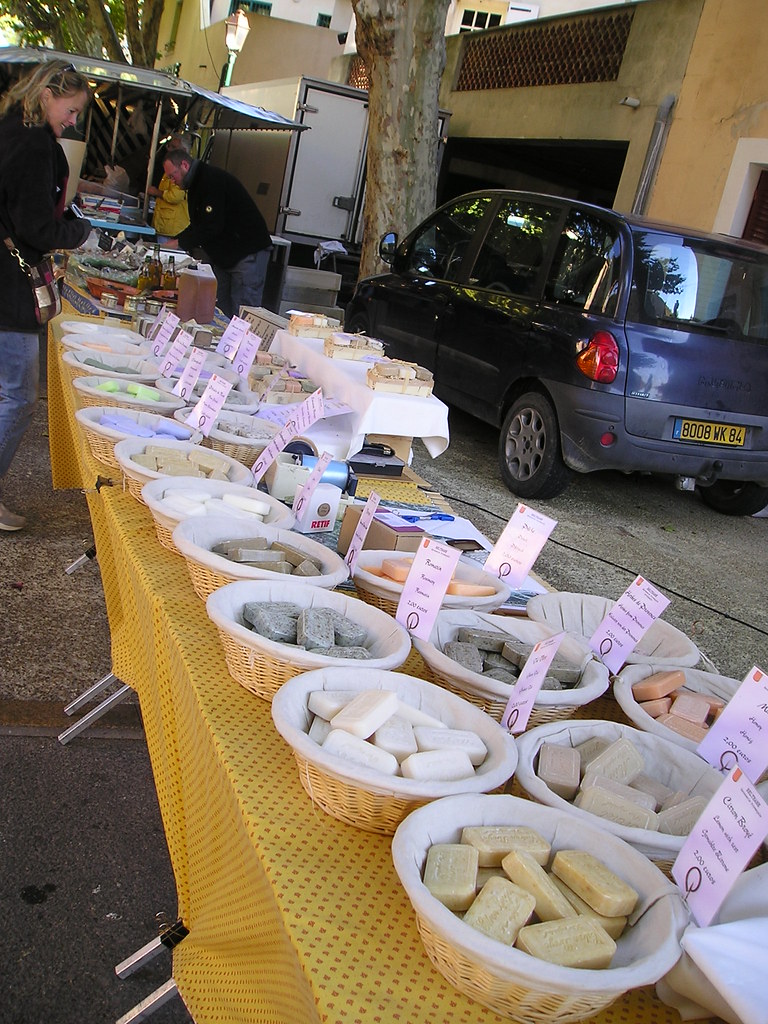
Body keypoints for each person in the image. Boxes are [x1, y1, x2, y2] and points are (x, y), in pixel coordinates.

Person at [0, 59, 93, 531]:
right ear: (46, 95)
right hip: (8, 289)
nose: (73, 121)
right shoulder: (34, 144)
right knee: (18, 396)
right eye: (71, 110)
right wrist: (81, 232)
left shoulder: (10, 129)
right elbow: (37, 227)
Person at [162, 148, 272, 318]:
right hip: (225, 255)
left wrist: (179, 243)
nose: (172, 181)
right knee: (218, 310)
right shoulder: (195, 184)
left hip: (246, 252)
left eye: (172, 176)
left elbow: (211, 225)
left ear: (184, 165)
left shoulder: (210, 180)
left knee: (242, 313)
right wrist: (176, 240)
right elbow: (198, 224)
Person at [146, 134, 190, 243]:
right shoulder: (171, 167)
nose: (169, 149)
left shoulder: (182, 170)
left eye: (174, 147)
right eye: (169, 146)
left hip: (173, 228)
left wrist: (156, 192)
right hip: (164, 225)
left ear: (184, 151)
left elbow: (175, 196)